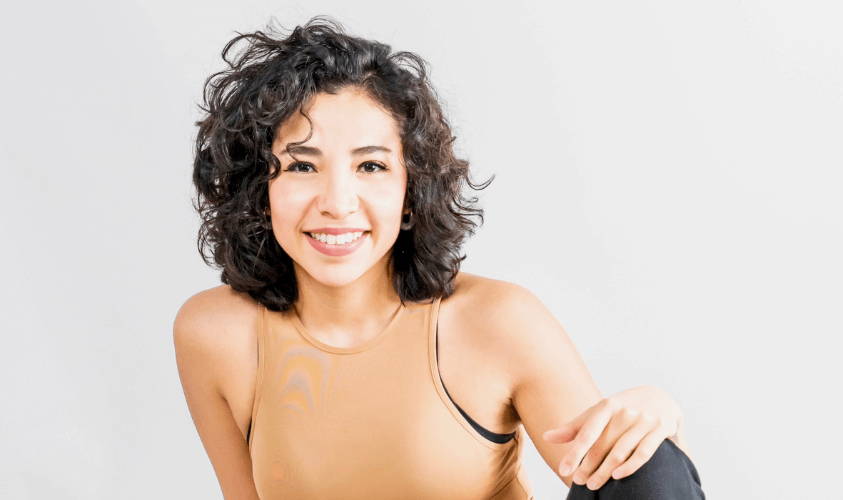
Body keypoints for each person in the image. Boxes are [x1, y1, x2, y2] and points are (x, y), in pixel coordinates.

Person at [173, 15, 704, 500]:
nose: (336, 202)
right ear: (259, 189)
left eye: (371, 167)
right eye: (302, 166)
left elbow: (632, 478)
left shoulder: (497, 320)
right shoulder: (214, 334)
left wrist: (659, 417)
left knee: (650, 460)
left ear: (411, 191)